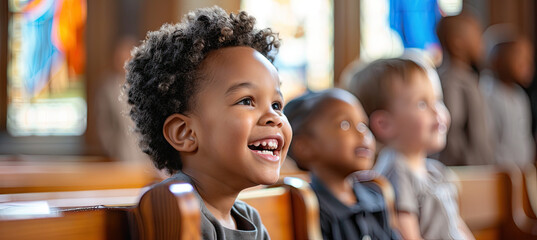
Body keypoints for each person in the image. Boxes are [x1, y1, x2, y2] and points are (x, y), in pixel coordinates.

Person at [124, 6, 292, 239]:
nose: (274, 117)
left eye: (276, 105)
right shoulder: (174, 206)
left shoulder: (246, 217)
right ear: (185, 133)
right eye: (246, 101)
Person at [347, 58, 473, 240]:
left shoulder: (436, 172)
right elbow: (408, 235)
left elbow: (457, 227)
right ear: (384, 124)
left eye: (438, 100)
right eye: (422, 103)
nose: (437, 111)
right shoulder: (397, 170)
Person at [284, 88, 399, 240]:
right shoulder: (310, 207)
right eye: (344, 124)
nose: (362, 133)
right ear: (305, 147)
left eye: (363, 124)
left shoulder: (375, 197)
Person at [436, 13, 494, 166]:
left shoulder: (468, 77)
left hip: (480, 169)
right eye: (478, 37)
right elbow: (452, 126)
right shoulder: (452, 81)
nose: (483, 44)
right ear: (458, 44)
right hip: (464, 170)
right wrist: (463, 164)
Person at [480, 25, 535, 168]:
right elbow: (488, 141)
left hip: (523, 170)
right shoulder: (487, 93)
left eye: (528, 57)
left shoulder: (520, 95)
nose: (526, 63)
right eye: (519, 56)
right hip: (499, 174)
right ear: (496, 59)